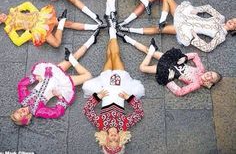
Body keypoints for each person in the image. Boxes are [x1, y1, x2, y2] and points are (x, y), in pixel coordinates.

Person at [82, 11, 144, 154]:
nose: (114, 137)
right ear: (121, 140)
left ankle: (112, 30)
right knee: (116, 56)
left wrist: (97, 97)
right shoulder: (124, 125)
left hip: (105, 89)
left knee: (109, 57)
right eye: (117, 141)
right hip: (120, 87)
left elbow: (87, 110)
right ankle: (112, 27)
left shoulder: (101, 125)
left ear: (105, 139)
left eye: (111, 140)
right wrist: (129, 98)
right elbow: (140, 113)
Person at [10, 30, 100, 126]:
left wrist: (35, 77)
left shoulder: (23, 99)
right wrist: (60, 97)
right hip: (61, 85)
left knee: (75, 55)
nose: (21, 111)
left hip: (50, 74)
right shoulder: (38, 111)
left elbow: (21, 85)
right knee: (88, 76)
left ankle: (91, 39)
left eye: (18, 111)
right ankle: (71, 59)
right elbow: (56, 112)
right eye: (21, 115)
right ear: (26, 118)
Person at [118, 0, 236, 52]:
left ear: (234, 29)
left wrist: (195, 38)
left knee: (159, 30)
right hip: (187, 15)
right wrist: (196, 10)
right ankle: (162, 20)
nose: (232, 21)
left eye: (235, 24)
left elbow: (208, 47)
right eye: (234, 19)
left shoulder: (221, 36)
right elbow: (208, 7)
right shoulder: (221, 17)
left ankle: (129, 30)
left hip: (187, 29)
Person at [116, 34, 222, 96]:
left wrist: (169, 81)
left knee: (143, 68)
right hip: (174, 61)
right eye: (210, 73)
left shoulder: (196, 85)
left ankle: (152, 50)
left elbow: (180, 92)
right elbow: (195, 55)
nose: (208, 75)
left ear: (209, 82)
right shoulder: (201, 69)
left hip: (169, 71)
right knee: (147, 52)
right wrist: (184, 58)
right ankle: (128, 39)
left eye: (211, 77)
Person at [0, 1, 101, 47]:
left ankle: (95, 27)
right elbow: (17, 41)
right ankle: (61, 22)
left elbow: (27, 4)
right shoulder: (8, 27)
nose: (1, 15)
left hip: (41, 18)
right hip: (37, 29)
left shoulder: (13, 10)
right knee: (56, 43)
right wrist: (29, 32)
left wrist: (37, 13)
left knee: (68, 25)